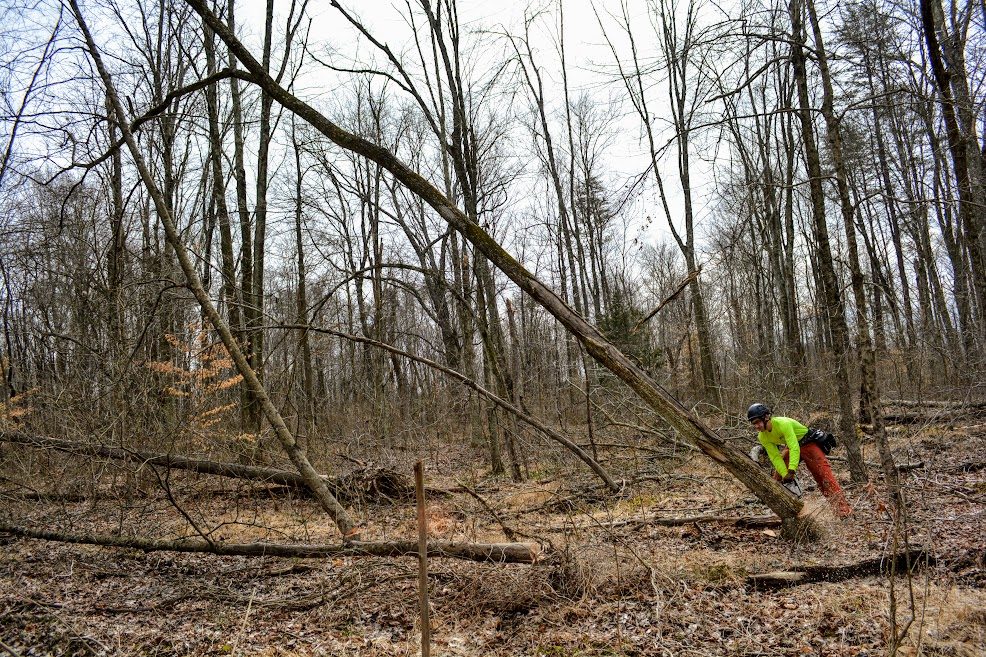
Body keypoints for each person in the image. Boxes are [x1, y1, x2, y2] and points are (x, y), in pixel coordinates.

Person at [747, 403, 852, 518]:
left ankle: (843, 512)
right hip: (791, 447)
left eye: (757, 422)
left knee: (824, 477)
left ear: (766, 417)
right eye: (753, 423)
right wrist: (785, 474)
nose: (756, 426)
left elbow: (794, 447)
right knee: (778, 478)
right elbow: (775, 457)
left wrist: (791, 470)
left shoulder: (783, 424)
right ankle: (788, 512)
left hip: (807, 443)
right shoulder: (762, 436)